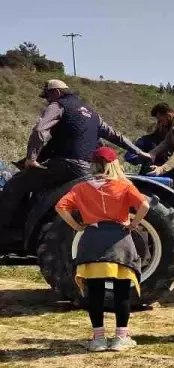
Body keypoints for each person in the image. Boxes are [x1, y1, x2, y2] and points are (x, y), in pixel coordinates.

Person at [0, 80, 148, 234]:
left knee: (15, 184)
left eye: (48, 97)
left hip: (66, 165)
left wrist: (31, 158)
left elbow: (39, 130)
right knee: (38, 188)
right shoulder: (92, 113)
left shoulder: (58, 105)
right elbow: (116, 136)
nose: (47, 101)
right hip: (85, 169)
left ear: (56, 92)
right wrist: (139, 151)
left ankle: (5, 231)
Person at [54, 147, 150, 352]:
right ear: (113, 164)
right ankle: (121, 338)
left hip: (92, 241)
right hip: (120, 242)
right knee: (121, 293)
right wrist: (133, 225)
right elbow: (145, 205)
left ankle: (98, 339)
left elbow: (60, 207)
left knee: (95, 292)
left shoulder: (80, 188)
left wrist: (77, 226)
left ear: (93, 164)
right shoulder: (124, 185)